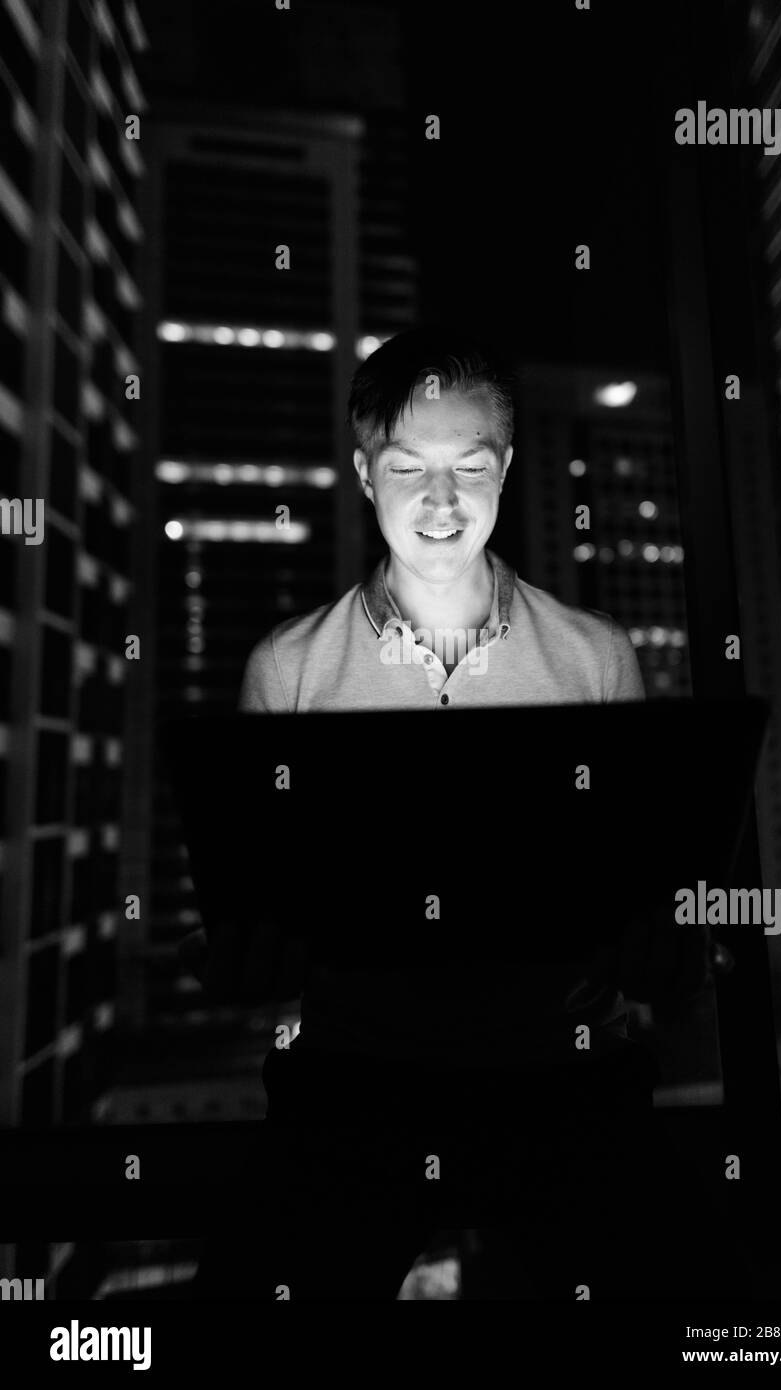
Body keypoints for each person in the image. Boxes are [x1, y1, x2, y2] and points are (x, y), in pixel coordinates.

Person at [183, 326, 711, 1300]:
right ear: (362, 471)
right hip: (355, 1075)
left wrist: (660, 936)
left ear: (505, 471)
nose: (439, 502)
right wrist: (249, 954)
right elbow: (252, 909)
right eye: (406, 468)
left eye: (468, 468)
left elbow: (650, 884)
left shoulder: (596, 656)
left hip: (563, 1069)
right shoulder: (286, 668)